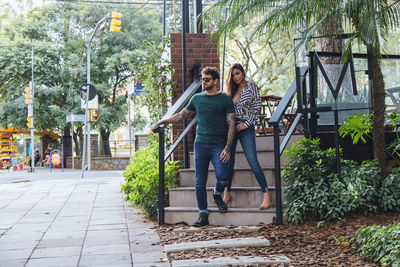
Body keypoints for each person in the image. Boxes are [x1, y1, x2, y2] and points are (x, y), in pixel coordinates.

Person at [151, 66, 236, 227]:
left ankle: (217, 193)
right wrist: (162, 121)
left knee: (223, 176)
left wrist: (227, 147)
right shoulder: (197, 98)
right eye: (202, 79)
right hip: (201, 144)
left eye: (207, 79)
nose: (203, 82)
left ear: (215, 81)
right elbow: (181, 115)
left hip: (219, 145)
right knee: (199, 181)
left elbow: (232, 124)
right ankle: (203, 213)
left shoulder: (225, 100)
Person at [224, 63, 272, 210]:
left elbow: (257, 107)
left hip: (245, 127)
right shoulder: (231, 89)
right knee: (228, 163)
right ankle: (227, 193)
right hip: (231, 128)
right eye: (233, 75)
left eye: (237, 73)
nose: (235, 77)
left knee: (252, 161)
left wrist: (246, 124)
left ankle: (266, 194)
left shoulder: (251, 86)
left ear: (243, 73)